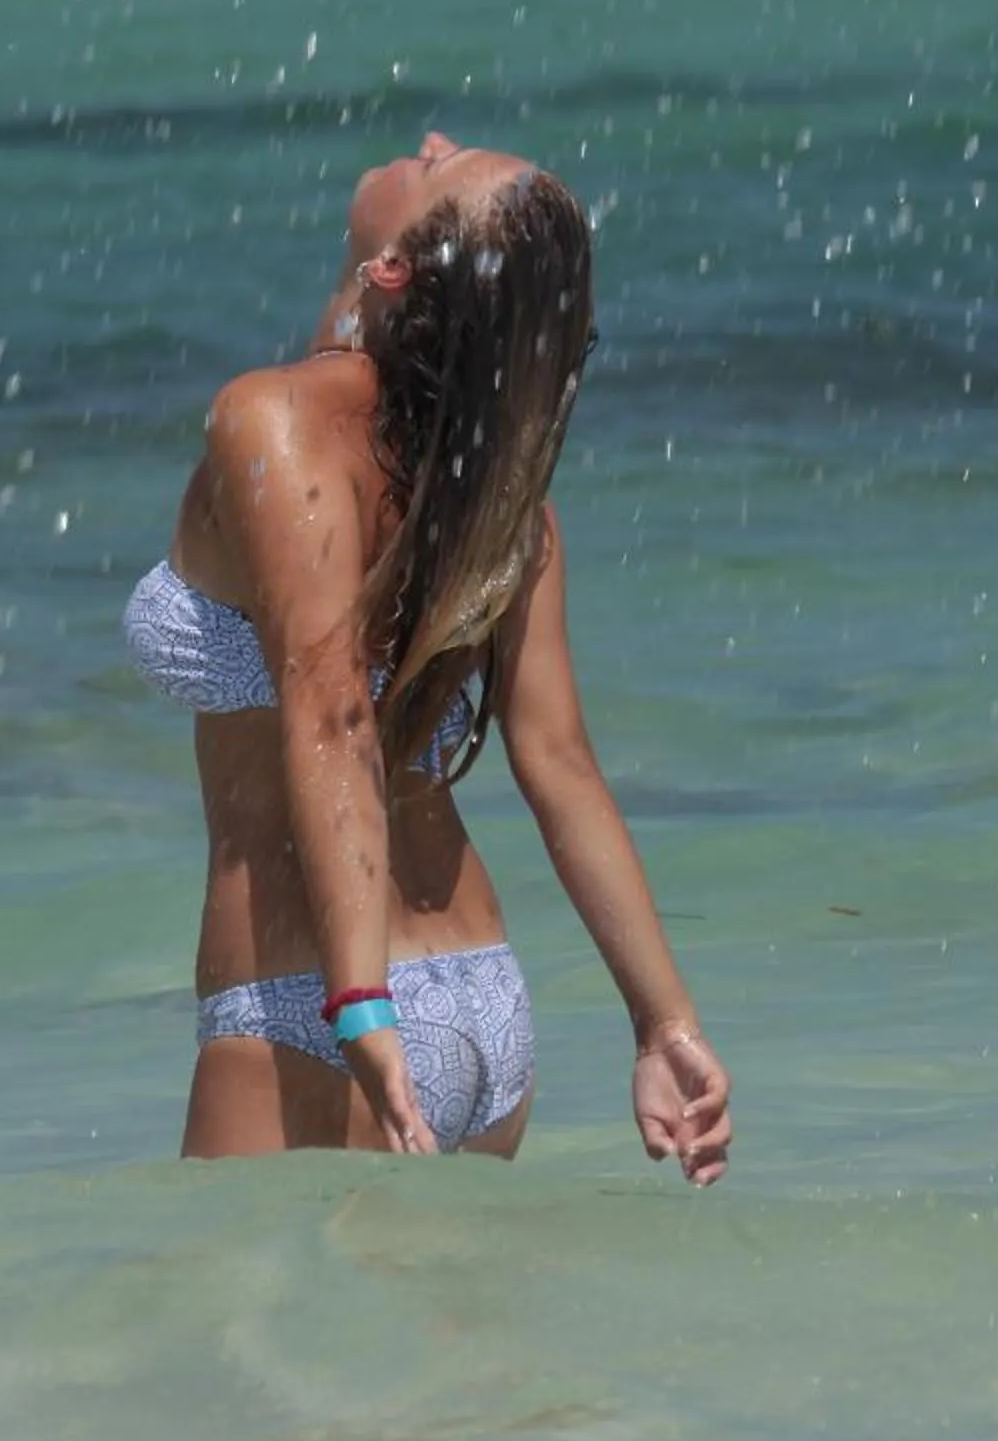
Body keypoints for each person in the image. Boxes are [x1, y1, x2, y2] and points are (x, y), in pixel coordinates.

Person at [125, 131, 732, 1180]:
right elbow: (560, 766)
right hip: (483, 1002)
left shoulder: (270, 422)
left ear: (392, 271)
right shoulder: (494, 502)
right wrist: (661, 1024)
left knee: (227, 1344)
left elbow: (331, 713)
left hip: (315, 1004)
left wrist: (358, 1000)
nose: (431, 141)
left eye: (439, 171)